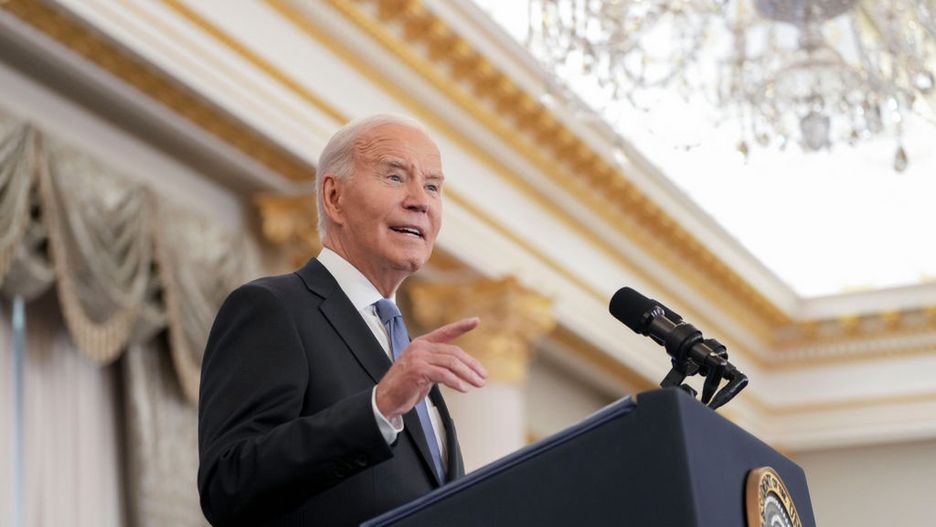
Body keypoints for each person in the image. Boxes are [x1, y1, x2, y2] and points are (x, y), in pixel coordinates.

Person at [197, 114, 488, 526]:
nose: (420, 201)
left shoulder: (408, 349)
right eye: (394, 177)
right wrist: (378, 407)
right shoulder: (273, 308)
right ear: (334, 197)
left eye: (432, 186)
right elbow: (228, 482)